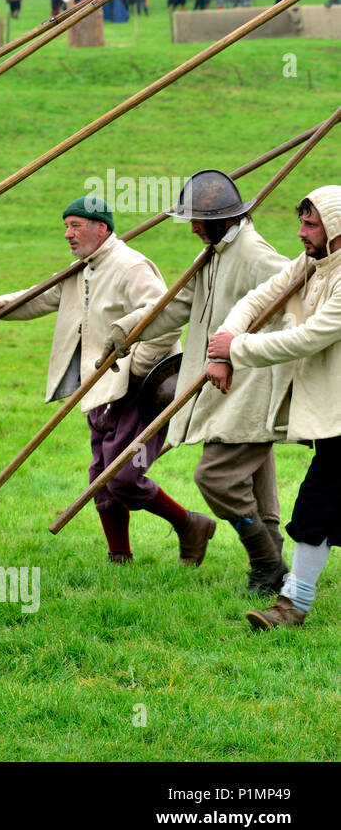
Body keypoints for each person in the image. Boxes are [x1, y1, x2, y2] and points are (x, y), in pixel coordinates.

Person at [0, 196, 217, 564]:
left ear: (102, 227)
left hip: (141, 391)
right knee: (102, 477)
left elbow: (167, 318)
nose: (67, 234)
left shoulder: (131, 266)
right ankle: (119, 560)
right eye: (65, 226)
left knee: (124, 477)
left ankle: (189, 524)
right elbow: (41, 296)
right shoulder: (82, 269)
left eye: (75, 225)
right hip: (100, 388)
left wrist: (136, 369)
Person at [106, 171, 290, 592]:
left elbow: (295, 296)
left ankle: (267, 563)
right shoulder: (213, 253)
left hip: (249, 387)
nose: (190, 228)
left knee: (216, 478)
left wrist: (249, 349)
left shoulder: (254, 255)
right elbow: (177, 305)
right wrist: (126, 332)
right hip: (227, 389)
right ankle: (272, 565)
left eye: (196, 220)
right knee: (258, 481)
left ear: (222, 220)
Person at [207, 187, 341, 631]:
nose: (301, 233)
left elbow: (309, 337)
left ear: (336, 227)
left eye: (311, 224)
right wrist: (222, 350)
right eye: (302, 222)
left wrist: (238, 348)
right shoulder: (310, 264)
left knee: (313, 509)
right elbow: (258, 299)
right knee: (322, 508)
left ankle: (290, 607)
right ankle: (292, 604)